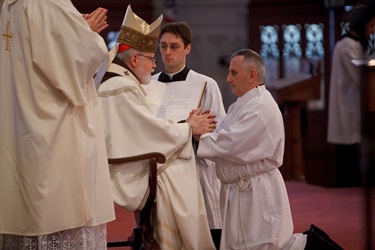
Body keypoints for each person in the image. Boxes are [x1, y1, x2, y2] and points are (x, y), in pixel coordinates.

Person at [196, 49, 343, 250]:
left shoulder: (261, 106)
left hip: (256, 192)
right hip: (239, 191)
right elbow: (221, 133)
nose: (228, 79)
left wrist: (197, 135)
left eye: (234, 72)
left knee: (266, 246)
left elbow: (231, 143)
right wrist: (202, 131)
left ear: (252, 75)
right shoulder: (240, 105)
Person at [97, 5, 216, 249]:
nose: (155, 64)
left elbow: (146, 128)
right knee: (178, 169)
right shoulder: (123, 86)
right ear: (133, 59)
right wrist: (187, 128)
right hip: (130, 167)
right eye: (152, 57)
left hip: (127, 160)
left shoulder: (117, 82)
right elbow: (149, 131)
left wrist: (185, 128)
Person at [0, 1, 115, 249]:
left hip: (24, 131)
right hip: (54, 136)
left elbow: (46, 49)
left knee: (28, 215)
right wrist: (87, 34)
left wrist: (75, 29)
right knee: (60, 219)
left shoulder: (10, 6)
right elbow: (73, 61)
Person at [150, 21, 226, 249]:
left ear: (188, 48)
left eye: (174, 46)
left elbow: (217, 130)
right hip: (162, 172)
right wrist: (188, 127)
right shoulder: (149, 85)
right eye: (163, 46)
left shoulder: (205, 84)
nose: (167, 52)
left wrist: (196, 136)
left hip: (197, 168)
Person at [327, 4, 375, 187]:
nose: (371, 32)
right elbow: (361, 77)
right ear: (362, 24)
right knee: (349, 161)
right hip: (348, 109)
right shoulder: (347, 47)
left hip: (354, 108)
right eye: (370, 26)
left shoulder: (353, 45)